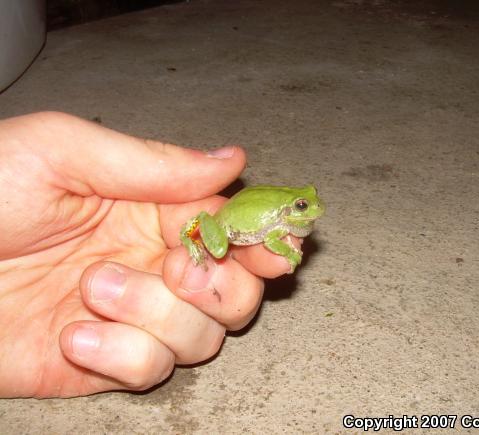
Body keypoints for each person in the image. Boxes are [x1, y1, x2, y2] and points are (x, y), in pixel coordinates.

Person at [0, 111, 298, 398]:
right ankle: (195, 239)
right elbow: (273, 241)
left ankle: (194, 241)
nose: (312, 210)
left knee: (192, 287)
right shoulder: (274, 227)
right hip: (228, 228)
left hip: (218, 221)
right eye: (301, 206)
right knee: (218, 253)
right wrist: (288, 252)